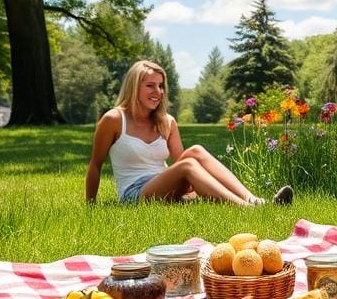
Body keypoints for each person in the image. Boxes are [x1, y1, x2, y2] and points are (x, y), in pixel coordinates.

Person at [86, 59, 293, 206]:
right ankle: (246, 208)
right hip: (134, 194)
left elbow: (181, 162)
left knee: (196, 151)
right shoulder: (114, 119)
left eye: (161, 86)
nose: (158, 92)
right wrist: (91, 205)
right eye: (150, 86)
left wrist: (191, 183)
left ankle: (254, 200)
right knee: (188, 163)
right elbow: (95, 164)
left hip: (163, 184)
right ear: (133, 88)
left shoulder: (166, 121)